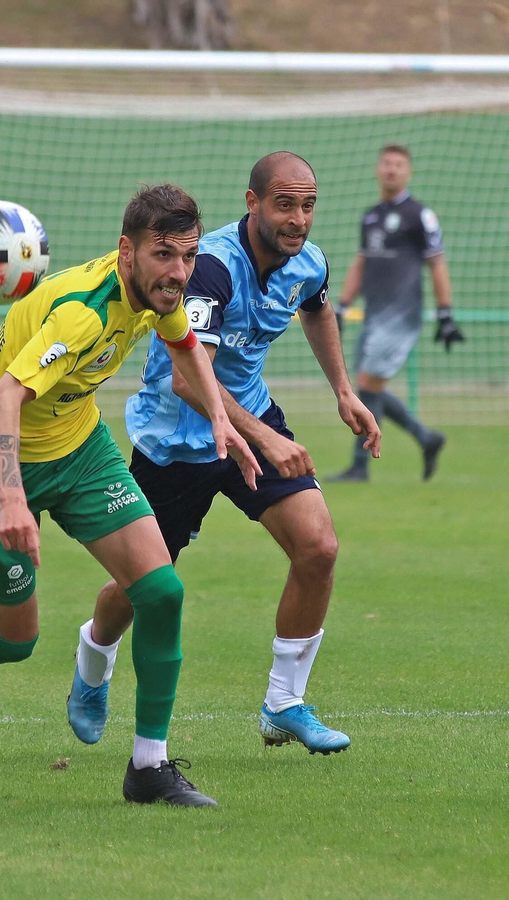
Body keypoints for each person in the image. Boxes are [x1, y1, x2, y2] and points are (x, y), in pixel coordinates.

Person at [0, 184, 259, 807]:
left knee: (161, 591)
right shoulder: (82, 312)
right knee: (14, 639)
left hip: (80, 451)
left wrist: (220, 419)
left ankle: (148, 768)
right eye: (164, 255)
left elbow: (183, 344)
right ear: (127, 251)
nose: (179, 272)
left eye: (188, 255)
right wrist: (12, 500)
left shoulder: (163, 291)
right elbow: (1, 402)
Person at [69, 152, 380, 756]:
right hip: (177, 438)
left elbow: (317, 306)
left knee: (318, 547)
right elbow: (191, 380)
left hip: (251, 416)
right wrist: (267, 439)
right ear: (252, 202)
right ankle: (93, 657)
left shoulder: (305, 260)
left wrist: (344, 390)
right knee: (144, 585)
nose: (298, 219)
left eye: (308, 205)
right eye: (284, 204)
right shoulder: (209, 265)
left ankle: (284, 703)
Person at [333, 143, 462, 482]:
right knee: (366, 388)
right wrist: (342, 306)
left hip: (401, 317)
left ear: (409, 172)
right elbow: (361, 262)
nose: (391, 169)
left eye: (399, 165)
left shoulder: (419, 215)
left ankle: (360, 468)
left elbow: (437, 263)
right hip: (373, 316)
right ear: (378, 169)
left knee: (365, 384)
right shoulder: (371, 216)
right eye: (386, 163)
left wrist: (446, 313)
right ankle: (426, 438)